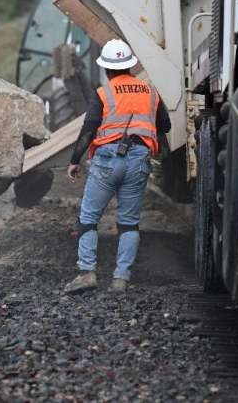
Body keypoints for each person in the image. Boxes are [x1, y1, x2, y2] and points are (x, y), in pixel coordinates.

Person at [63, 38, 171, 294]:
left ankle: (87, 273)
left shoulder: (104, 93)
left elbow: (88, 130)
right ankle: (121, 279)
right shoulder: (150, 92)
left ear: (107, 69)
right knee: (129, 222)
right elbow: (164, 126)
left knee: (89, 217)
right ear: (131, 66)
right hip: (139, 161)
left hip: (108, 160)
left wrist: (74, 161)